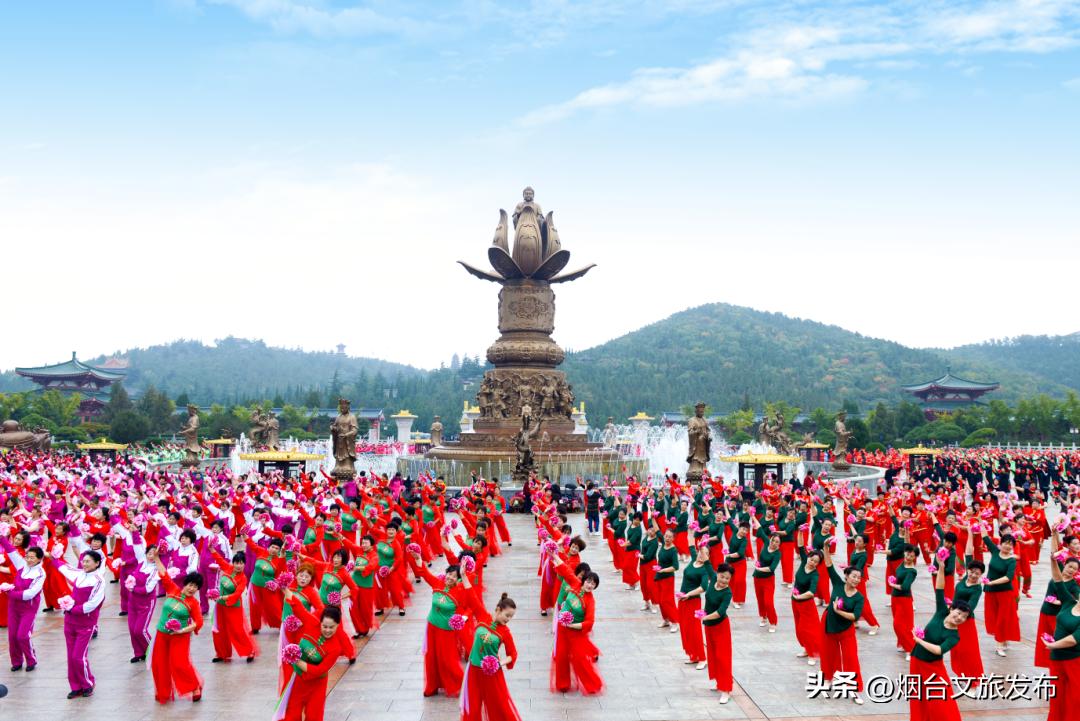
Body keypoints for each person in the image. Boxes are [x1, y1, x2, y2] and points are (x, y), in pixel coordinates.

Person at [277, 589, 352, 721]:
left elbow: (319, 670)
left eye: (331, 627)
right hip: (298, 680)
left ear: (337, 625)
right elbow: (298, 607)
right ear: (320, 622)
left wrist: (296, 660)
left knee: (314, 716)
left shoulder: (335, 648)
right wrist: (285, 588)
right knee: (292, 714)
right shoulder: (312, 623)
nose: (327, 630)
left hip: (316, 685)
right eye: (324, 626)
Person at [909, 563, 970, 721]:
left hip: (933, 667)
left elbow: (938, 650)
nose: (960, 618)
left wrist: (919, 640)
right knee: (918, 696)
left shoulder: (954, 636)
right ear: (951, 609)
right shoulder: (941, 612)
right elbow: (940, 588)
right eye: (958, 613)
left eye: (964, 617)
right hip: (916, 660)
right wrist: (941, 567)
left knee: (941, 700)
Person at [50, 548, 106, 698]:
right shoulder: (80, 574)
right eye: (83, 561)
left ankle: (87, 684)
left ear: (97, 563)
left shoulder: (99, 580)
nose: (84, 564)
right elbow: (64, 568)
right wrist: (53, 558)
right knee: (71, 656)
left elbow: (92, 604)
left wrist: (72, 609)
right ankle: (75, 686)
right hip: (70, 622)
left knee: (78, 656)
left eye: (88, 561)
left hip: (85, 623)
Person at [150, 557, 204, 704]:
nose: (192, 589)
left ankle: (194, 687)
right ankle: (163, 690)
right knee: (159, 664)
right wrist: (156, 558)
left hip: (180, 637)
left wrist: (182, 630)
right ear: (185, 584)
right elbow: (164, 573)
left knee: (179, 664)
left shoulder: (194, 603)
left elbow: (199, 622)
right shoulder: (173, 589)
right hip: (162, 634)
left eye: (195, 587)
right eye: (190, 585)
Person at [819, 541, 865, 705]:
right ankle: (828, 679)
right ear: (846, 576)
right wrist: (826, 548)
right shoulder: (838, 584)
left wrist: (839, 611)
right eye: (853, 576)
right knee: (828, 655)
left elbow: (855, 616)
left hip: (846, 631)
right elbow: (829, 565)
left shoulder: (859, 597)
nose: (856, 579)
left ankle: (853, 689)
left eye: (858, 577)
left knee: (851, 658)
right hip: (829, 626)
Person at [461, 593, 520, 721]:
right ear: (498, 610)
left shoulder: (505, 632)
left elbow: (513, 654)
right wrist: (463, 580)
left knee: (497, 706)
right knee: (472, 705)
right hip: (473, 670)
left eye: (511, 616)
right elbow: (472, 596)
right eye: (507, 615)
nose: (509, 619)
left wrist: (499, 663)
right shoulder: (483, 616)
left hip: (491, 674)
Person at [550, 552, 603, 695]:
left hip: (575, 632)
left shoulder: (590, 601)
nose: (590, 585)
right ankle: (563, 684)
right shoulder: (576, 584)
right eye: (588, 581)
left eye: (593, 584)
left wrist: (572, 626)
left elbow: (589, 622)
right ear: (584, 581)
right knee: (561, 656)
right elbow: (565, 570)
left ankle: (593, 684)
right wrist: (553, 554)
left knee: (580, 660)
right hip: (562, 629)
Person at [0, 532, 44, 672]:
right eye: (27, 557)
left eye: (32, 557)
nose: (29, 560)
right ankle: (16, 661)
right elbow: (11, 551)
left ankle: (31, 659)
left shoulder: (40, 573)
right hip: (13, 607)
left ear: (39, 559)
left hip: (28, 608)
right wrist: (1, 537)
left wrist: (10, 593)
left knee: (22, 636)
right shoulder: (21, 565)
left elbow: (30, 594)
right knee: (12, 637)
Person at [981, 530, 1019, 656]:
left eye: (1010, 544)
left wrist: (992, 582)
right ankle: (1002, 639)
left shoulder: (1011, 560)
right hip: (990, 592)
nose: (1007, 546)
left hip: (1004, 593)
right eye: (1005, 543)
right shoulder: (995, 551)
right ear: (1001, 543)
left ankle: (999, 646)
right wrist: (980, 521)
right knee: (993, 617)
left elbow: (1008, 577)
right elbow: (985, 537)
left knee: (1003, 619)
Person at [701, 562, 734, 703]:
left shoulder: (727, 593)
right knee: (713, 655)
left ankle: (726, 690)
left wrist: (704, 617)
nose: (724, 580)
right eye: (722, 576)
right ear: (718, 574)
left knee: (723, 657)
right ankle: (719, 682)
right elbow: (706, 562)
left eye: (727, 578)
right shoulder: (713, 578)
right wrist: (700, 549)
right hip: (709, 626)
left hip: (721, 627)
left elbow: (720, 612)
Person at [677, 539, 711, 669]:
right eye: (701, 552)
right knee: (685, 629)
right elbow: (690, 541)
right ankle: (693, 655)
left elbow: (703, 587)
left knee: (695, 630)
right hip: (683, 600)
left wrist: (689, 594)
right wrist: (692, 530)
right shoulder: (693, 560)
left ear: (708, 556)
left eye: (705, 553)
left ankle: (702, 658)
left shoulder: (705, 569)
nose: (702, 555)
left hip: (693, 602)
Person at [791, 528, 822, 663]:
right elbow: (800, 546)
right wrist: (800, 532)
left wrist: (799, 597)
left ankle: (813, 654)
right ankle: (806, 648)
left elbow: (811, 592)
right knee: (799, 628)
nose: (812, 562)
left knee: (807, 629)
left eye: (816, 562)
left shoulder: (815, 575)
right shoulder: (804, 562)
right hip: (795, 601)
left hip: (806, 604)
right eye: (811, 559)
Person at [889, 544, 918, 659]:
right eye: (908, 554)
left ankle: (910, 649)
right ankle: (902, 642)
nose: (908, 557)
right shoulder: (903, 563)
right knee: (900, 624)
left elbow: (905, 587)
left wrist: (892, 585)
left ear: (915, 558)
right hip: (895, 598)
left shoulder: (912, 571)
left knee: (899, 625)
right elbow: (907, 543)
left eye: (912, 556)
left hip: (904, 600)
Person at [654, 528, 680, 633]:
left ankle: (674, 622)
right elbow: (657, 530)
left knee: (667, 600)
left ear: (673, 538)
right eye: (666, 536)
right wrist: (652, 518)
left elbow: (676, 567)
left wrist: (664, 570)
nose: (667, 538)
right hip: (659, 576)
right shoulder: (663, 543)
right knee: (660, 600)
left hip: (668, 578)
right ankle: (666, 619)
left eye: (670, 537)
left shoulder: (673, 550)